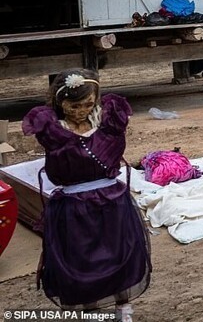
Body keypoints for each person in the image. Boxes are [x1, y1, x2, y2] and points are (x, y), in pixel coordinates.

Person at [21, 69, 151, 322]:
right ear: (60, 103)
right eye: (74, 106)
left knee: (118, 255)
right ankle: (91, 311)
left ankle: (122, 309)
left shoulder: (109, 122)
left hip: (112, 204)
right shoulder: (51, 130)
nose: (82, 111)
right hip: (74, 209)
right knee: (82, 262)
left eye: (88, 104)